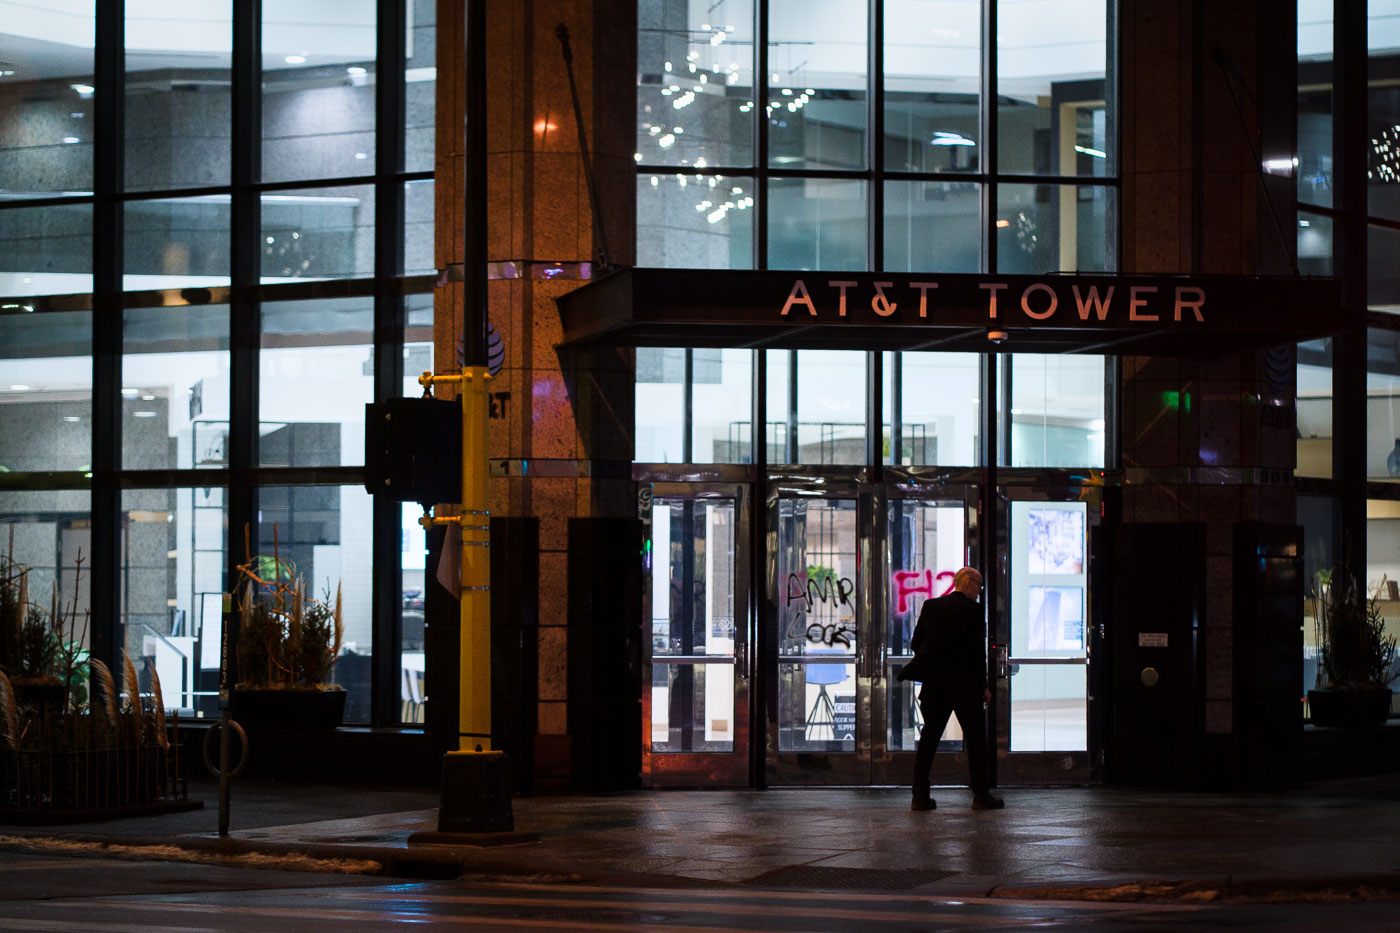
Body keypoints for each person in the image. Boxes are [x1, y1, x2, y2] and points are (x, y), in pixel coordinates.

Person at [906, 566, 1004, 811]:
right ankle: (980, 795)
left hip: (935, 686)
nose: (979, 592)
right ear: (969, 583)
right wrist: (983, 687)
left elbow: (916, 643)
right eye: (979, 586)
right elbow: (977, 653)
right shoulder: (973, 610)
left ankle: (919, 795)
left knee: (929, 739)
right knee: (976, 741)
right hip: (965, 687)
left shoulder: (931, 606)